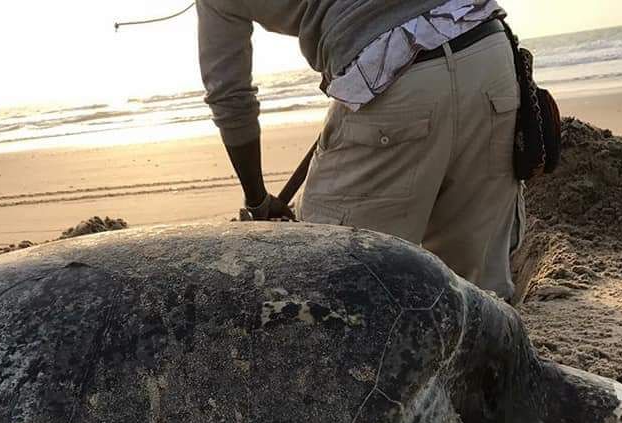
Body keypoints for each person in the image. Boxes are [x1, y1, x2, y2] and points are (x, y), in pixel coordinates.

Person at [196, 0, 523, 300]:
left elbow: (229, 95)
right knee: (478, 290)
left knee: (327, 285)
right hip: (485, 46)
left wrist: (257, 200)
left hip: (393, 76)